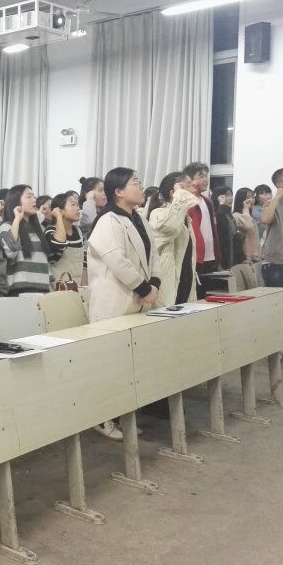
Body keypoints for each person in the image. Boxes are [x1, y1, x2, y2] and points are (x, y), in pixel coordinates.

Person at [87, 167, 161, 440]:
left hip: (139, 300)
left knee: (130, 366)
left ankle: (122, 417)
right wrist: (145, 288)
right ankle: (103, 418)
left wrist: (155, 284)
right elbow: (117, 261)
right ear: (118, 191)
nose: (141, 187)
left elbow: (153, 256)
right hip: (114, 303)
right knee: (110, 365)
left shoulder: (138, 218)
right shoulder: (108, 220)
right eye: (135, 183)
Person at [145, 172, 199, 307]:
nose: (194, 189)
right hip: (167, 278)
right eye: (188, 186)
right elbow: (172, 228)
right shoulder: (159, 213)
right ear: (173, 192)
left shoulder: (185, 217)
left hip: (185, 275)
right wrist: (179, 196)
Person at [0, 185, 53, 296]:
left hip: (42, 290)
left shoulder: (39, 228)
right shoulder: (7, 227)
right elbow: (9, 252)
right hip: (19, 291)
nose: (34, 200)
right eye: (29, 197)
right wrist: (17, 219)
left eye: (34, 196)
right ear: (16, 202)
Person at [183, 162, 220, 298]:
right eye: (201, 176)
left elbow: (213, 229)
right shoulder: (188, 201)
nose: (206, 179)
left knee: (207, 295)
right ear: (190, 180)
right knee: (195, 295)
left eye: (206, 176)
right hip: (196, 256)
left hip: (210, 254)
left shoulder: (207, 201)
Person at [45, 191, 84, 285]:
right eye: (73, 205)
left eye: (77, 205)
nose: (78, 208)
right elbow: (59, 244)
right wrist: (58, 217)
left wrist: (84, 286)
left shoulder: (78, 231)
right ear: (60, 210)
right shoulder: (50, 230)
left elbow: (84, 262)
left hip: (77, 286)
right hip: (57, 288)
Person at [232, 188, 262, 265]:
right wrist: (245, 208)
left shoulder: (249, 216)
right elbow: (247, 226)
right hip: (245, 258)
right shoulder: (236, 216)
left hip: (255, 258)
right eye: (248, 197)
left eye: (253, 197)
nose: (251, 200)